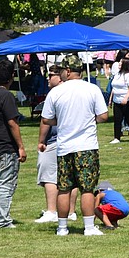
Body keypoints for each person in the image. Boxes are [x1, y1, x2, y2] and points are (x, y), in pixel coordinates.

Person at [41, 53, 109, 236]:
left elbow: (46, 119)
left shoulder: (55, 92)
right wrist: (88, 120)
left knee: (64, 187)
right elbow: (103, 116)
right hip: (86, 146)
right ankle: (88, 227)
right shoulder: (92, 89)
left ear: (68, 71)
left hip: (64, 147)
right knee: (87, 188)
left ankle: (62, 227)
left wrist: (62, 121)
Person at [0, 59, 25, 228]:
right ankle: (3, 220)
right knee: (7, 184)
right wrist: (21, 146)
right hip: (6, 146)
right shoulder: (6, 96)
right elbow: (12, 123)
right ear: (12, 76)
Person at [35, 66, 79, 224]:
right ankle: (71, 211)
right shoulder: (76, 92)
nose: (48, 78)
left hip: (55, 140)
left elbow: (45, 120)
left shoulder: (55, 94)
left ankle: (52, 210)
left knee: (49, 177)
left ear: (60, 77)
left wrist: (41, 141)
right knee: (72, 177)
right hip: (75, 139)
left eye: (51, 75)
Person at [108, 58, 129, 144]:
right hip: (117, 100)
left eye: (120, 63)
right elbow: (114, 87)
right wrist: (110, 99)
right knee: (117, 119)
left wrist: (126, 98)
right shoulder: (117, 74)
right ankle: (117, 138)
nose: (118, 64)